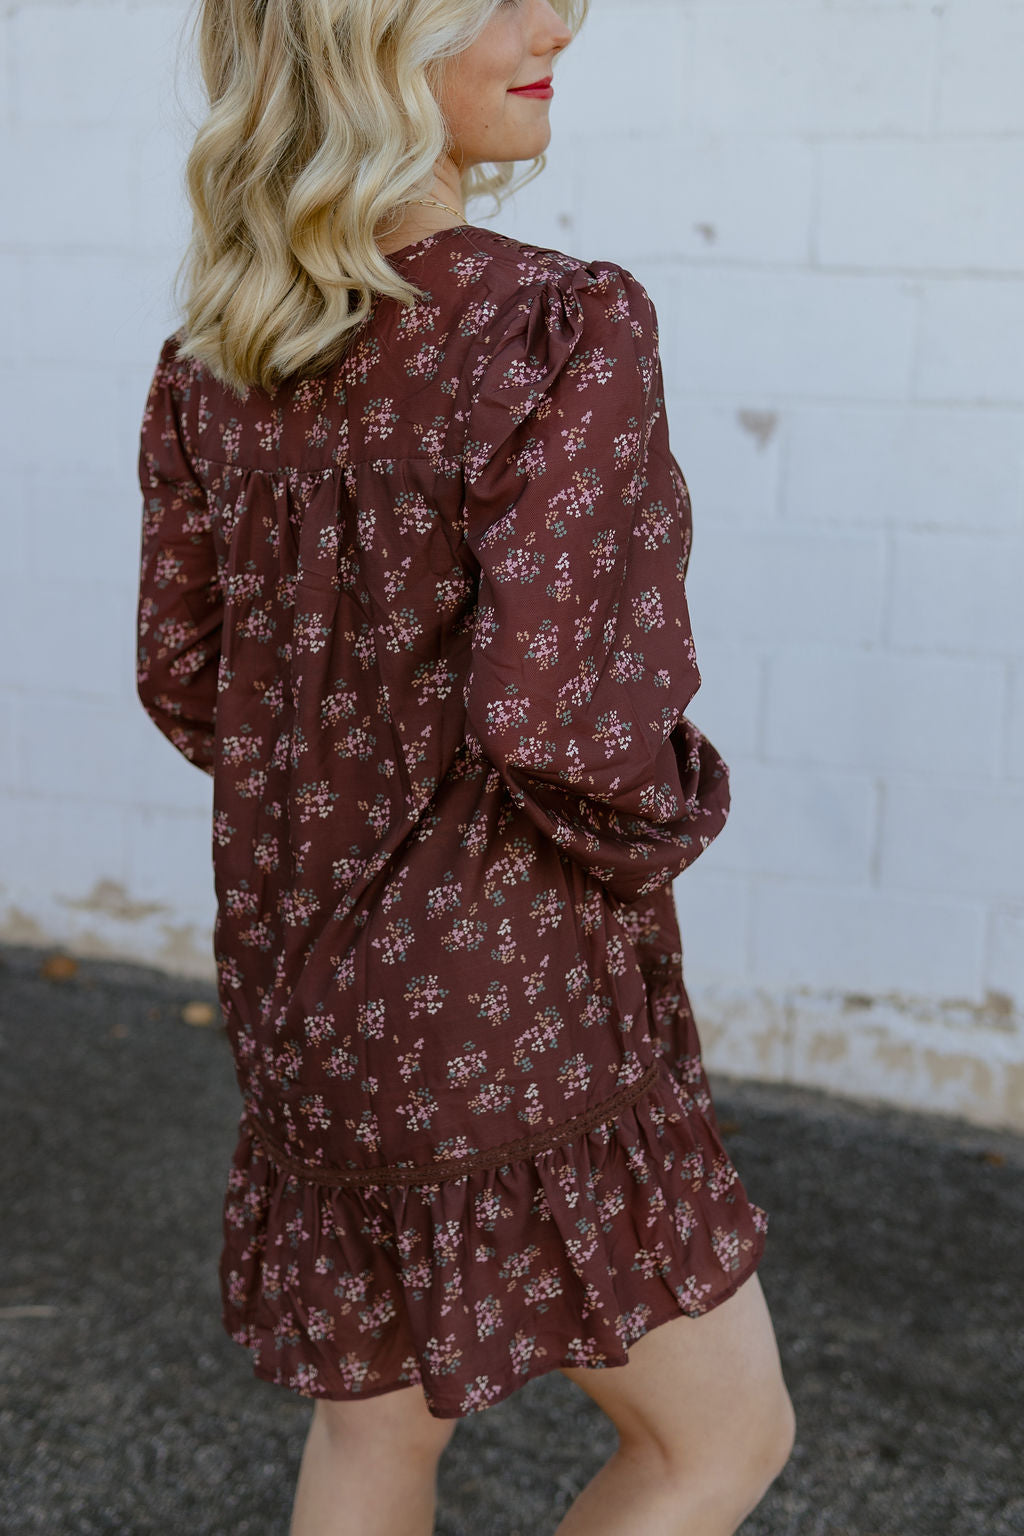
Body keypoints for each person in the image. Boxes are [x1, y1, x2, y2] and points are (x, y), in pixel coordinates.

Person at [135, 0, 796, 1531]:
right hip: (514, 1014)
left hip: (306, 996)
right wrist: (673, 813)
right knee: (721, 1441)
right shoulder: (553, 325)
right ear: (370, 41)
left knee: (378, 1441)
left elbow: (188, 684)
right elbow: (566, 726)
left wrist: (338, 779)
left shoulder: (210, 360)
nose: (558, 16)